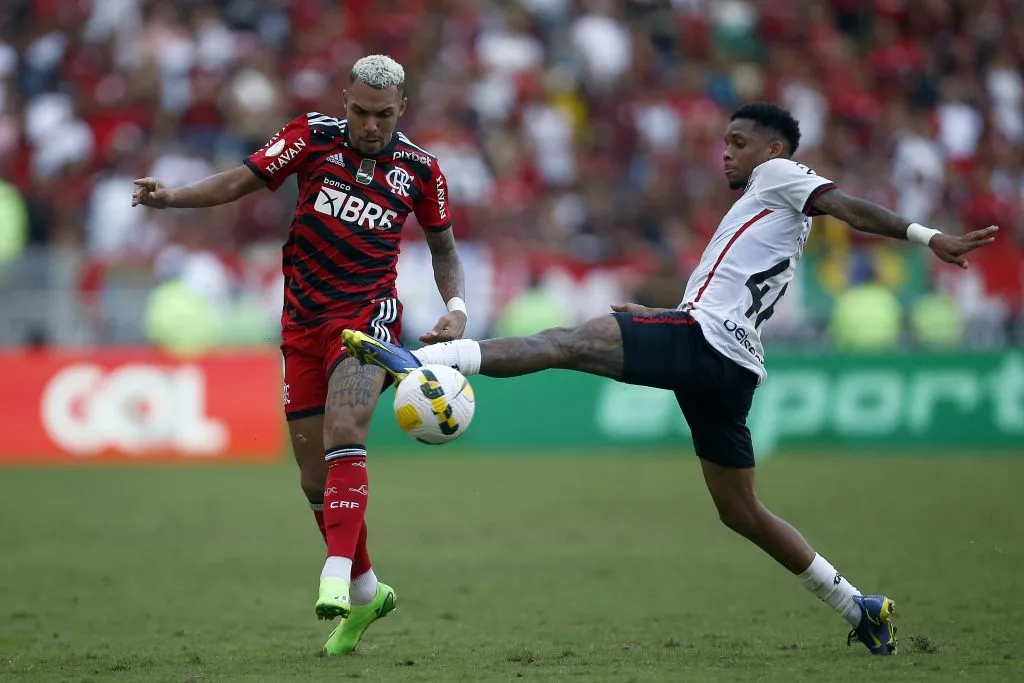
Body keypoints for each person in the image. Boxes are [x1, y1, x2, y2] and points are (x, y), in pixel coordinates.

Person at [342, 103, 999, 656]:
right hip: (729, 361)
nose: (728, 154)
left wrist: (925, 234)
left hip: (706, 343)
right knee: (739, 510)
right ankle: (860, 605)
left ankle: (429, 361)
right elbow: (735, 293)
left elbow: (849, 207)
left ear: (772, 148)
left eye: (739, 143)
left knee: (567, 343)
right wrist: (660, 316)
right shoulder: (765, 212)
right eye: (726, 144)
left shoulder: (780, 174)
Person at [131, 55, 469, 656]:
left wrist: (457, 306)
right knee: (314, 476)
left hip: (369, 320)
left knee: (346, 429)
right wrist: (172, 199)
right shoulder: (310, 137)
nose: (370, 126)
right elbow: (240, 179)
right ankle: (368, 590)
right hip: (301, 326)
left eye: (383, 115)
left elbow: (443, 247)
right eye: (361, 112)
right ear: (346, 101)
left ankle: (335, 575)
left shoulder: (421, 170)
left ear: (402, 111)